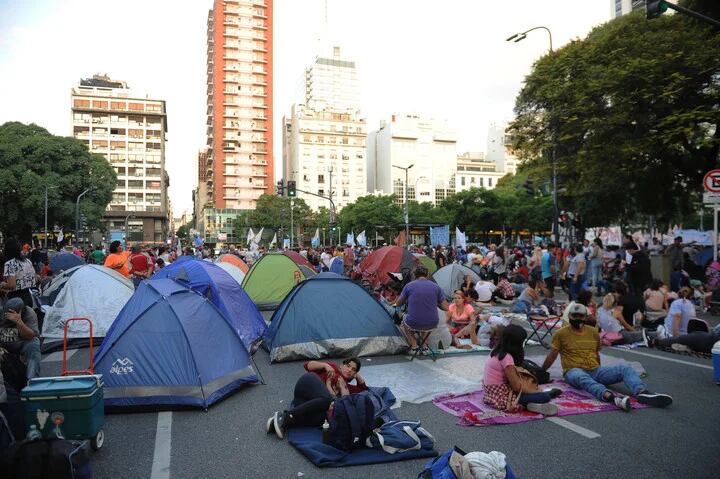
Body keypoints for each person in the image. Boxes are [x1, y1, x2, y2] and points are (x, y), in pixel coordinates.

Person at [541, 303, 672, 411]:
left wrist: (600, 371)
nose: (577, 318)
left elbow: (596, 353)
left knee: (624, 368)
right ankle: (611, 397)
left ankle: (641, 392)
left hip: (595, 370)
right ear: (569, 317)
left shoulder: (593, 332)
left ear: (585, 317)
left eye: (580, 315)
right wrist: (541, 373)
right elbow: (552, 356)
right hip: (573, 371)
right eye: (574, 315)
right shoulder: (561, 334)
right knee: (581, 377)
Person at [266, 358, 366, 439]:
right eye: (348, 366)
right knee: (328, 400)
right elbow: (307, 365)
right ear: (341, 365)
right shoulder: (333, 368)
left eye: (353, 370)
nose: (349, 370)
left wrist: (358, 377)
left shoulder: (347, 388)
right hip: (307, 384)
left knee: (324, 419)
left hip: (304, 404)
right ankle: (287, 416)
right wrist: (325, 365)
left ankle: (278, 421)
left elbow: (364, 390)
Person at [483, 324, 561, 416]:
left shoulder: (496, 351)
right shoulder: (506, 358)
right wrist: (535, 391)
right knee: (544, 396)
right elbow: (516, 387)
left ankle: (530, 403)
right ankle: (528, 405)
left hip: (490, 393)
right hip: (501, 396)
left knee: (535, 392)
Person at [394, 265, 449, 354]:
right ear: (427, 275)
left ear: (415, 275)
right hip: (432, 322)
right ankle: (424, 346)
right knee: (425, 324)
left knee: (405, 320)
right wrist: (436, 302)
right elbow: (446, 307)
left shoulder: (409, 286)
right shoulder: (436, 287)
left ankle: (414, 346)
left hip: (414, 322)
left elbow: (398, 303)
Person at [0, 297, 41, 379]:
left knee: (33, 344)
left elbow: (30, 336)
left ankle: (32, 380)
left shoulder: (29, 312)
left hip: (21, 342)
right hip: (3, 342)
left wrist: (19, 322)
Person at [1, 238, 38, 307]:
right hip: (28, 296)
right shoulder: (27, 261)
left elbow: (12, 285)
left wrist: (3, 284)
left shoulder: (9, 263)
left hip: (16, 300)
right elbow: (35, 278)